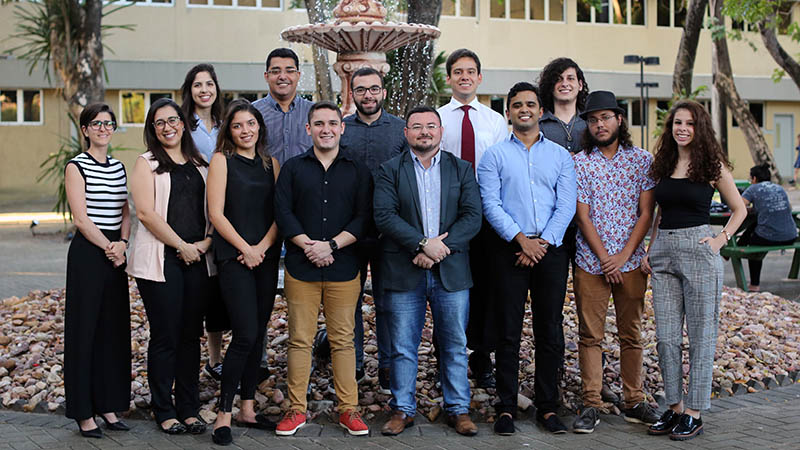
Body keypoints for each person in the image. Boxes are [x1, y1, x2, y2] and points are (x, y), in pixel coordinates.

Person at [374, 106, 482, 437]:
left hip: (450, 272)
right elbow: (384, 215)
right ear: (405, 132)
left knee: (453, 342)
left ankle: (458, 409)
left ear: (440, 131)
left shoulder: (461, 169)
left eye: (431, 126)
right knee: (403, 345)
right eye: (417, 126)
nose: (424, 132)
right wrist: (422, 244)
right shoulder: (389, 170)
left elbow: (472, 216)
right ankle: (403, 409)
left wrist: (438, 250)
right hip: (405, 270)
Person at [642, 100, 746, 441]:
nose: (682, 128)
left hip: (698, 250)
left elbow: (739, 209)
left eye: (689, 123)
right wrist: (651, 247)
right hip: (663, 253)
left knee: (701, 336)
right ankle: (673, 407)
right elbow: (659, 211)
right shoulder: (664, 163)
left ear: (699, 128)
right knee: (666, 338)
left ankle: (695, 412)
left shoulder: (712, 164)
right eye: (676, 123)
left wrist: (720, 240)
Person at [477, 82, 576, 436]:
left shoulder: (560, 156)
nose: (524, 109)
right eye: (517, 104)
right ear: (508, 112)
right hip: (509, 251)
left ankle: (547, 407)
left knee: (549, 330)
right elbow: (491, 204)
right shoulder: (494, 156)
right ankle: (506, 407)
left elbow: (566, 205)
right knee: (508, 330)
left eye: (530, 104)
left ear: (540, 111)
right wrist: (521, 240)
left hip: (550, 251)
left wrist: (542, 243)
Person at [274, 101, 371, 436]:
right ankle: (295, 410)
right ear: (308, 129)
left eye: (332, 123)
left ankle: (349, 410)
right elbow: (283, 213)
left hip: (344, 267)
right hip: (302, 267)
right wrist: (309, 246)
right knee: (299, 340)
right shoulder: (292, 168)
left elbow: (363, 217)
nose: (326, 129)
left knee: (344, 340)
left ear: (342, 128)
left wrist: (330, 246)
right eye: (319, 124)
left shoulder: (358, 169)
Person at [570, 91, 659, 434]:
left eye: (605, 118)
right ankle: (592, 402)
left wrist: (622, 258)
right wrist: (606, 259)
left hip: (632, 261)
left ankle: (634, 400)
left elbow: (646, 212)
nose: (599, 125)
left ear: (619, 120)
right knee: (590, 334)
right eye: (593, 120)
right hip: (590, 262)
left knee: (631, 333)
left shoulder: (642, 161)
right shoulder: (580, 162)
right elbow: (583, 217)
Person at [127, 98, 213, 435]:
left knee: (191, 336)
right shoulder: (146, 163)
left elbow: (211, 211)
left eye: (173, 120)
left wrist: (203, 245)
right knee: (166, 336)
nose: (167, 127)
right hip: (161, 261)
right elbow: (146, 214)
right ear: (152, 128)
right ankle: (164, 409)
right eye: (159, 122)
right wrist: (182, 247)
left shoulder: (200, 164)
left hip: (197, 258)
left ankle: (189, 409)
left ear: (183, 123)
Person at [207, 100, 282, 446]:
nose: (245, 130)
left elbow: (279, 214)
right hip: (233, 257)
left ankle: (248, 409)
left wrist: (263, 248)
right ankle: (224, 413)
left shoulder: (272, 165)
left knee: (258, 333)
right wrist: (246, 249)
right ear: (229, 131)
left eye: (251, 124)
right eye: (238, 125)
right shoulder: (222, 161)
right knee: (245, 332)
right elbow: (216, 214)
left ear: (259, 128)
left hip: (264, 257)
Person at [437, 48, 507, 388]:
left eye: (471, 71)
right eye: (458, 71)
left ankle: (481, 357)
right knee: (446, 286)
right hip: (445, 216)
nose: (464, 76)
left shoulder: (494, 121)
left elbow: (502, 169)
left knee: (484, 287)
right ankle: (445, 357)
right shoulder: (437, 119)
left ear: (479, 78)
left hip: (485, 214)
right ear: (449, 78)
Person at [64, 103, 131, 439]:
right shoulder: (76, 166)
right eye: (96, 123)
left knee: (112, 333)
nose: (103, 128)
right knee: (85, 332)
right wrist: (109, 247)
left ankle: (108, 405)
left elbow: (125, 212)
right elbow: (80, 218)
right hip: (89, 257)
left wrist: (123, 244)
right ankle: (84, 412)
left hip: (114, 257)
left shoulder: (119, 168)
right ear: (85, 129)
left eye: (108, 123)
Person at [339, 67, 407, 392]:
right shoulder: (341, 130)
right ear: (352, 93)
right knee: (348, 301)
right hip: (348, 231)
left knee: (386, 301)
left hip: (388, 231)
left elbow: (408, 181)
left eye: (374, 89)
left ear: (383, 91)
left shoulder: (399, 130)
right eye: (362, 89)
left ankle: (388, 366)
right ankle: (351, 365)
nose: (368, 95)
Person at [179, 63, 229, 383]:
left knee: (217, 290)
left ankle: (215, 359)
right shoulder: (183, 125)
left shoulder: (225, 124)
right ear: (190, 90)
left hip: (224, 209)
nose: (204, 90)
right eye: (198, 85)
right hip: (191, 210)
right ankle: (187, 360)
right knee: (194, 287)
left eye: (209, 84)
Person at [738, 164, 798, 291]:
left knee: (753, 242)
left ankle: (754, 285)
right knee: (756, 225)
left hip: (769, 237)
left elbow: (738, 206)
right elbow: (788, 208)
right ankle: (737, 244)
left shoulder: (753, 188)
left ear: (754, 178)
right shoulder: (779, 188)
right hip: (791, 235)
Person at [252, 47, 314, 166]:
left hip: (305, 183)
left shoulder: (314, 113)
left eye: (289, 71)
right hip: (264, 182)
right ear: (266, 76)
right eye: (275, 71)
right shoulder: (253, 112)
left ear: (298, 75)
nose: (282, 77)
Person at [537, 57, 589, 154]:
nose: (565, 84)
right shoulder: (538, 124)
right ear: (550, 86)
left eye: (570, 78)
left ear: (580, 85)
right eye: (558, 79)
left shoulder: (591, 122)